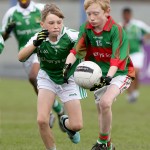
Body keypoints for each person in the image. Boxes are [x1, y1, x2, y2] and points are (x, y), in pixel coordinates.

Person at [63, 0, 135, 149]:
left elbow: (116, 58)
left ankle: (101, 143)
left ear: (107, 12)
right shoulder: (86, 29)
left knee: (105, 103)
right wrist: (66, 66)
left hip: (121, 72)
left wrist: (108, 77)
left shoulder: (116, 30)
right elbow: (76, 50)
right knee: (102, 109)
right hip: (98, 75)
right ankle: (108, 145)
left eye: (96, 13)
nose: (92, 18)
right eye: (88, 14)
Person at [18, 3, 87, 150]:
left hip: (67, 80)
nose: (56, 26)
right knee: (42, 120)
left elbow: (86, 48)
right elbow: (21, 57)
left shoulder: (71, 36)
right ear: (42, 24)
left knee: (77, 125)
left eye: (59, 22)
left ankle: (65, 123)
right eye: (51, 23)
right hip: (47, 78)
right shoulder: (39, 37)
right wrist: (35, 44)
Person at [1, 0, 65, 129]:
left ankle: (48, 112)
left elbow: (58, 24)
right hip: (26, 54)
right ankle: (58, 109)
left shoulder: (41, 9)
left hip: (42, 48)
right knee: (38, 83)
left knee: (33, 76)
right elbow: (2, 37)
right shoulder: (11, 13)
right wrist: (7, 31)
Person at [120, 7, 150, 102]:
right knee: (128, 75)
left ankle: (135, 91)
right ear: (123, 15)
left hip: (137, 52)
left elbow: (148, 33)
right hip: (125, 53)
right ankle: (130, 94)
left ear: (130, 15)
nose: (126, 16)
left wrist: (144, 38)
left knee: (136, 73)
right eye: (125, 15)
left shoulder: (138, 25)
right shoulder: (120, 26)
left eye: (128, 14)